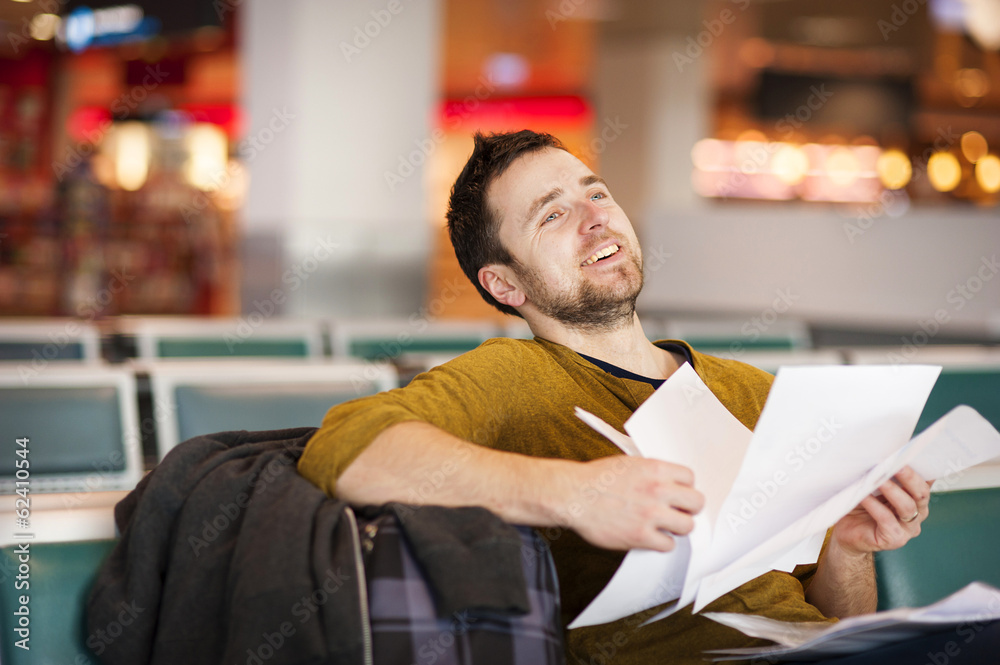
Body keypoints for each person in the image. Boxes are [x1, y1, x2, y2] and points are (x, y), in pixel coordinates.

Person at [298, 130, 933, 664]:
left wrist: (848, 547)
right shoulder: (509, 380)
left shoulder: (754, 392)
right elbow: (347, 447)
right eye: (553, 214)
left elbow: (832, 624)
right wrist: (575, 493)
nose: (596, 216)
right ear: (504, 283)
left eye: (596, 193)